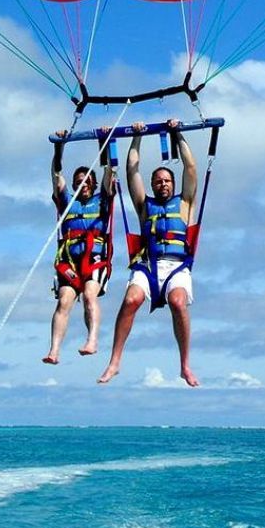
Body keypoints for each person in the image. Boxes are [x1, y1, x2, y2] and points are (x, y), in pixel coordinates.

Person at [98, 119, 200, 387]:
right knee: (131, 300)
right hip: (148, 265)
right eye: (158, 181)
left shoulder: (185, 202)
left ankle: (185, 365)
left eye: (167, 181)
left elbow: (190, 167)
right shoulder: (145, 205)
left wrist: (178, 133)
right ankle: (114, 362)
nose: (163, 184)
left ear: (173, 184)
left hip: (177, 266)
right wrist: (137, 136)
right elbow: (132, 170)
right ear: (153, 185)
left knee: (178, 303)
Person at [43, 129, 115, 365]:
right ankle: (54, 351)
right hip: (69, 261)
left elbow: (109, 171)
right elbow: (56, 175)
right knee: (64, 300)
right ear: (74, 185)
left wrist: (104, 142)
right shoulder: (67, 202)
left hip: (95, 258)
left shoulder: (102, 199)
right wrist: (59, 146)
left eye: (87, 180)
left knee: (89, 295)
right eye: (78, 181)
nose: (83, 183)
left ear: (93, 184)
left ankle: (92, 340)